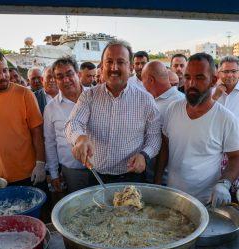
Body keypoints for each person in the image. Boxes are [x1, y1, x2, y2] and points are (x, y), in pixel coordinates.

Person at [65, 40, 161, 184]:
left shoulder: (145, 99)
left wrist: (144, 155)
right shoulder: (89, 96)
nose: (114, 67)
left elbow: (154, 137)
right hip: (97, 177)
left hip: (132, 177)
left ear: (131, 68)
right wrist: (79, 138)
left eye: (121, 62)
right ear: (102, 66)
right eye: (109, 62)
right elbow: (73, 122)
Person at [155, 53, 239, 207]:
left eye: (200, 78)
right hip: (171, 197)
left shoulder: (225, 118)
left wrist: (224, 183)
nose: (191, 83)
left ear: (213, 81)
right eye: (188, 77)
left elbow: (236, 158)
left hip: (205, 202)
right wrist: (156, 184)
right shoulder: (173, 109)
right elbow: (164, 148)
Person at [0, 50, 46, 188]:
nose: (3, 76)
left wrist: (41, 163)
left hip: (31, 173)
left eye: (5, 70)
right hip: (1, 175)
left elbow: (37, 131)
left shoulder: (25, 94)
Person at [45, 57, 90, 193]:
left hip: (102, 169)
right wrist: (53, 174)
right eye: (60, 76)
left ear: (78, 74)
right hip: (72, 173)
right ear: (55, 80)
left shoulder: (96, 96)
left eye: (69, 74)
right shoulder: (51, 108)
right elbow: (50, 142)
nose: (66, 80)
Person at [142, 61, 184, 183]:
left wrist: (158, 178)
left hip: (165, 179)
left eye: (143, 81)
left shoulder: (180, 103)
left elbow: (172, 145)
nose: (142, 85)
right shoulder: (151, 99)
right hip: (148, 171)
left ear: (150, 80)